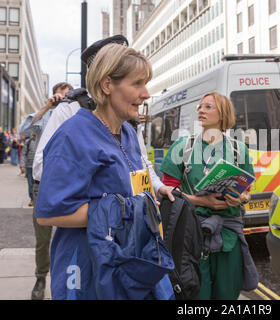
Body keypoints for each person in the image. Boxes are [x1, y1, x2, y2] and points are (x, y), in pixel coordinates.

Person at [35, 41, 171, 300]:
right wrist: (125, 210)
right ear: (107, 85)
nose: (146, 94)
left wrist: (148, 202)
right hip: (89, 269)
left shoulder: (129, 132)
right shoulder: (73, 135)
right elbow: (48, 213)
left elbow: (136, 186)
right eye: (137, 83)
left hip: (127, 261)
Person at [160, 92, 258, 300]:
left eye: (208, 107)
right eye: (200, 106)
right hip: (191, 234)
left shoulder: (238, 149)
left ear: (222, 114)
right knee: (195, 295)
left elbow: (247, 191)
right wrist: (200, 201)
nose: (201, 110)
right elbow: (167, 193)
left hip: (228, 236)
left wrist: (240, 199)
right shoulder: (183, 147)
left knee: (227, 295)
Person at [18, 81, 73, 300]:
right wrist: (46, 108)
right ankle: (41, 277)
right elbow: (23, 131)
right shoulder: (46, 117)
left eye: (68, 96)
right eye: (61, 96)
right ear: (53, 96)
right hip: (44, 182)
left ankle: (68, 278)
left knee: (69, 234)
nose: (64, 100)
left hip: (69, 182)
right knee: (42, 237)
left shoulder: (74, 114)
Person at [19, 132, 37, 206]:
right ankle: (32, 199)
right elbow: (23, 154)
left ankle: (38, 199)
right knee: (31, 184)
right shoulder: (28, 141)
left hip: (39, 167)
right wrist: (22, 165)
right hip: (29, 166)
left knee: (39, 184)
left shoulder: (43, 140)